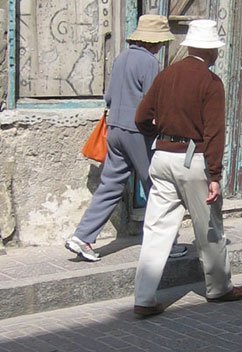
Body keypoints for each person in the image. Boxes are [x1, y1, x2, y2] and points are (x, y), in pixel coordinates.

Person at [133, 19, 242, 317]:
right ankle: (220, 288)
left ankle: (144, 298)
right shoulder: (211, 83)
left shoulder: (166, 75)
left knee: (157, 228)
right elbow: (213, 134)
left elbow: (141, 118)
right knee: (209, 226)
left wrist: (157, 131)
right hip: (192, 159)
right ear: (211, 51)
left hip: (161, 156)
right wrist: (215, 176)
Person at [65, 15, 187, 262]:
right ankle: (165, 245)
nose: (162, 46)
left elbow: (109, 96)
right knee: (159, 185)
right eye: (162, 42)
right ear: (155, 41)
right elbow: (153, 102)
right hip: (137, 132)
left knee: (110, 184)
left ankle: (82, 236)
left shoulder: (122, 58)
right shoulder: (149, 62)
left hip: (115, 129)